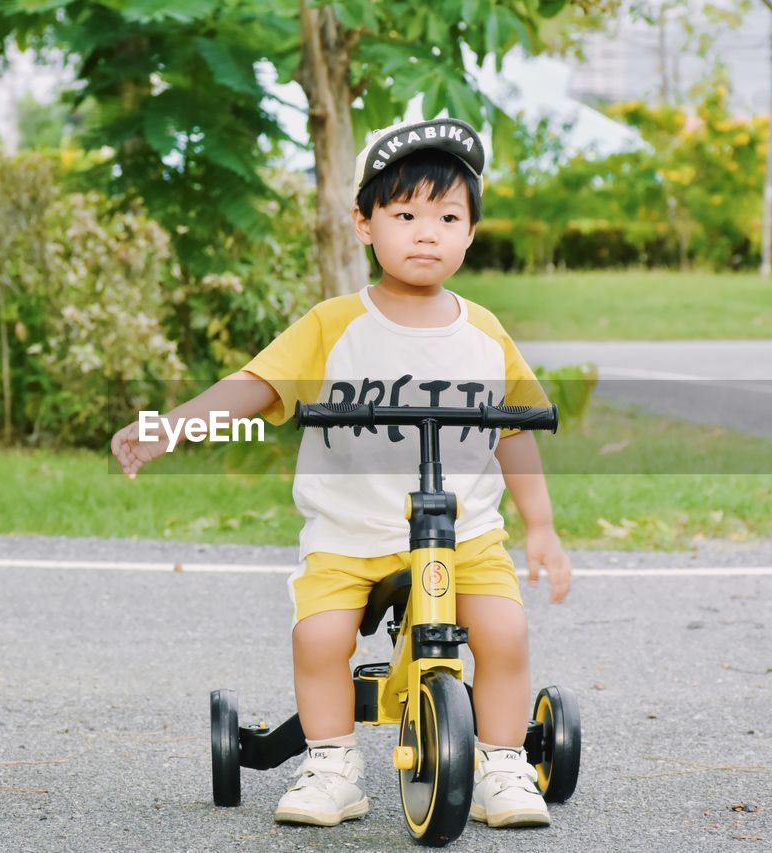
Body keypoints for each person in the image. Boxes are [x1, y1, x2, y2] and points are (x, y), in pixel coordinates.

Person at [111, 116, 573, 830]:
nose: (428, 232)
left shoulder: (485, 333)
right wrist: (173, 424)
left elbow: (516, 427)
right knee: (319, 636)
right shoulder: (333, 325)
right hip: (350, 534)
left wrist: (539, 526)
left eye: (448, 216)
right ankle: (331, 760)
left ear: (471, 232)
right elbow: (257, 386)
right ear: (363, 224)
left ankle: (502, 760)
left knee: (505, 631)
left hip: (465, 533)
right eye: (405, 214)